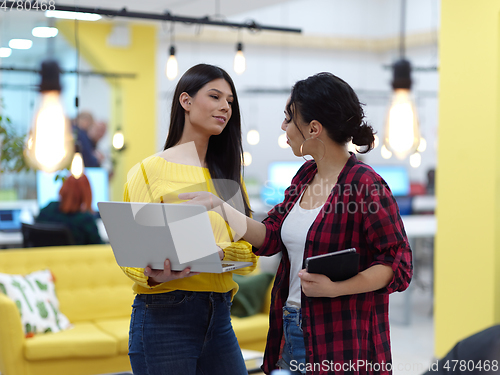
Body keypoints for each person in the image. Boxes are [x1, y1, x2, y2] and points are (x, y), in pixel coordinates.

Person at [180, 72, 413, 375]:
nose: (283, 126)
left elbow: (398, 264)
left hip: (340, 339)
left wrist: (336, 289)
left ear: (314, 129)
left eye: (289, 118)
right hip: (290, 328)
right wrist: (220, 208)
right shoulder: (305, 178)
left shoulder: (365, 185)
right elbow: (272, 235)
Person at [121, 63, 258, 375]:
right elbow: (130, 255)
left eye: (230, 102)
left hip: (221, 316)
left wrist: (220, 253)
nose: (225, 106)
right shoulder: (148, 170)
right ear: (186, 101)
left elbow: (251, 255)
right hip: (164, 316)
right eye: (215, 96)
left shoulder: (230, 176)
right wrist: (155, 275)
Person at [36, 174, 103, 245]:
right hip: (75, 256)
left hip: (44, 255)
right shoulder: (85, 220)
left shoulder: (48, 210)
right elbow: (99, 246)